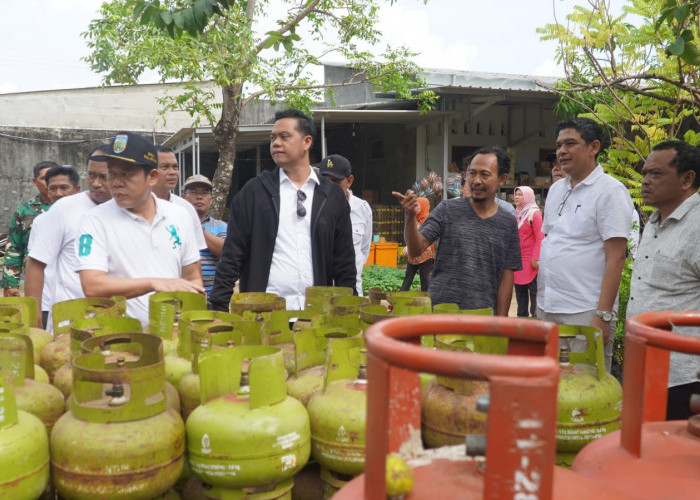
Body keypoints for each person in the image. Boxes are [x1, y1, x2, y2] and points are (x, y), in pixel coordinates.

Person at [210, 109, 356, 311]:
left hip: (316, 316)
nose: (275, 143)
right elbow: (232, 255)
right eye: (273, 138)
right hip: (262, 314)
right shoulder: (254, 192)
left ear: (307, 142)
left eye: (284, 136)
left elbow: (344, 262)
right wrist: (217, 307)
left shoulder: (331, 196)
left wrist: (348, 310)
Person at [75, 132, 204, 326]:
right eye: (112, 173)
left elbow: (192, 276)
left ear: (151, 177)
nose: (116, 183)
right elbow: (92, 285)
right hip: (118, 335)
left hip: (171, 332)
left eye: (126, 174)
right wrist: (153, 283)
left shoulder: (179, 215)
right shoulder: (94, 221)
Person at [537, 117, 634, 372]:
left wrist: (602, 316)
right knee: (548, 381)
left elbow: (616, 257)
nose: (562, 151)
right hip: (548, 307)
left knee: (584, 389)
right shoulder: (557, 189)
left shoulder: (610, 191)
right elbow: (552, 241)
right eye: (559, 145)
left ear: (594, 147)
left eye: (571, 143)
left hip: (584, 311)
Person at [393, 146, 521, 315]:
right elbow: (416, 250)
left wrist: (501, 321)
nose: (476, 181)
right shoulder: (447, 209)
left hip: (482, 314)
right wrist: (410, 217)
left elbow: (506, 275)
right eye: (472, 173)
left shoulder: (508, 222)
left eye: (485, 174)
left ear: (502, 179)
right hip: (442, 311)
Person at [626, 140, 700, 420]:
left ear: (687, 179)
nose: (645, 181)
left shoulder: (697, 227)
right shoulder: (655, 222)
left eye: (656, 174)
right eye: (644, 173)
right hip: (645, 367)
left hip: (682, 378)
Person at [25, 148, 111, 329]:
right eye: (91, 175)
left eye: (104, 177)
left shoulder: (128, 210)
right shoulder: (65, 208)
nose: (96, 183)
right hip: (70, 319)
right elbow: (35, 263)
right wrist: (35, 319)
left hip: (115, 317)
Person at [1, 161, 57, 297]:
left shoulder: (72, 208)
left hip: (67, 282)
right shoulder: (24, 211)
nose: (49, 182)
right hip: (36, 282)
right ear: (34, 181)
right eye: (44, 178)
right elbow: (14, 248)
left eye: (53, 177)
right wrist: (10, 284)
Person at [318, 154, 372, 296]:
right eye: (325, 180)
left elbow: (364, 249)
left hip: (351, 290)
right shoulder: (312, 209)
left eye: (335, 181)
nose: (330, 186)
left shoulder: (362, 208)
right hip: (321, 292)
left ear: (349, 181)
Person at [153, 145, 207, 251]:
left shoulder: (185, 208)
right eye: (165, 167)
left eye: (175, 167)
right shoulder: (135, 206)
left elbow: (195, 254)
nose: (172, 172)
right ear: (151, 171)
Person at [182, 174, 227, 297]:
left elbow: (226, 251)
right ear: (183, 198)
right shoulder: (175, 223)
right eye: (193, 192)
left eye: (205, 193)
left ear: (211, 200)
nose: (199, 197)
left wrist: (196, 228)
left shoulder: (221, 226)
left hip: (213, 295)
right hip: (182, 294)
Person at [513, 186, 544, 317]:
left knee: (534, 293)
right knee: (520, 293)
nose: (516, 197)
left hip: (532, 261)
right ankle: (521, 321)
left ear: (528, 196)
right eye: (516, 194)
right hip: (519, 261)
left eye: (520, 194)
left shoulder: (534, 214)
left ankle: (536, 321)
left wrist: (536, 258)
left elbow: (540, 237)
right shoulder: (517, 213)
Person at [399, 197, 435, 292]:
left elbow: (422, 235)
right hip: (413, 253)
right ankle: (399, 297)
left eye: (418, 205)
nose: (416, 207)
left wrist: (408, 246)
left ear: (423, 206)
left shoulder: (428, 220)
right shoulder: (414, 218)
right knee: (408, 276)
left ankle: (427, 300)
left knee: (425, 278)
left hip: (425, 254)